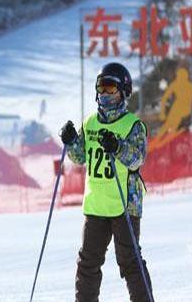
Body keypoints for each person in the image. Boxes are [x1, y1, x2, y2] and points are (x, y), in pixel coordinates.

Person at [60, 62, 154, 302]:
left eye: (111, 89)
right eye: (101, 88)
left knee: (129, 262)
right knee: (88, 263)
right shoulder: (90, 122)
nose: (105, 95)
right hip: (96, 205)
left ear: (123, 92)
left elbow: (136, 159)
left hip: (124, 205)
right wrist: (71, 141)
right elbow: (80, 157)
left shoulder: (133, 125)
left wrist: (117, 146)